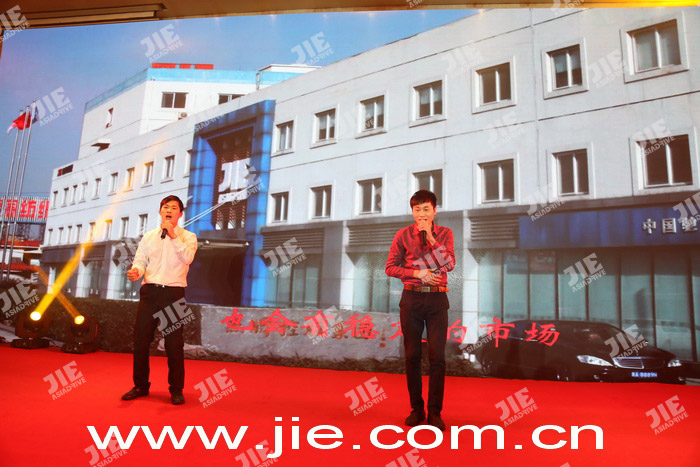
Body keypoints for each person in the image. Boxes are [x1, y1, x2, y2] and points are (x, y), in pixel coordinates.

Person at [385, 189, 455, 431]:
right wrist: (418, 273)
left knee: (437, 358)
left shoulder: (445, 234)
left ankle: (435, 412)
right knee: (412, 356)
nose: (422, 214)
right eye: (417, 210)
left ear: (435, 210)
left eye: (426, 209)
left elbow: (450, 264)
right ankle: (416, 409)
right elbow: (390, 267)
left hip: (437, 301)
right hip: (412, 300)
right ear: (412, 212)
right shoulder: (402, 235)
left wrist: (432, 239)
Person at [121, 195, 198, 405]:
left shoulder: (189, 237)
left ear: (180, 213)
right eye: (165, 207)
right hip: (150, 292)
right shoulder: (149, 237)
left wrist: (173, 235)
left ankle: (176, 389)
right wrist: (136, 272)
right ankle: (140, 386)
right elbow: (140, 261)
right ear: (160, 211)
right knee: (141, 341)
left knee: (174, 344)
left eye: (173, 207)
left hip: (173, 294)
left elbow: (188, 258)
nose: (169, 210)